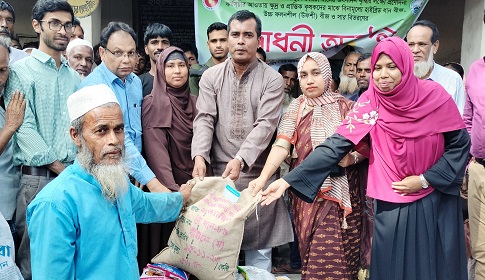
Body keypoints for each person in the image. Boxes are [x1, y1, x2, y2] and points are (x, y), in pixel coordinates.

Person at [256, 36, 470, 280]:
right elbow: (337, 144)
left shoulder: (434, 96)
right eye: (378, 68)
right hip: (392, 198)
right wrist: (288, 181)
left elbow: (459, 144)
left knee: (431, 265)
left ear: (406, 66)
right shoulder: (371, 102)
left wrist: (425, 179)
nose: (382, 75)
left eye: (392, 67)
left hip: (433, 198)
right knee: (392, 267)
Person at [27, 84, 194, 279]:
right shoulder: (55, 203)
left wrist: (181, 198)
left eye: (119, 129)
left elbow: (147, 205)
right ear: (76, 136)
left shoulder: (118, 183)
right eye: (101, 131)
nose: (114, 140)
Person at [191, 10, 293, 272]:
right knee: (220, 258)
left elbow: (266, 126)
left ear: (259, 40)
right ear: (227, 39)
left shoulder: (272, 79)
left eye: (248, 35)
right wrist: (200, 155)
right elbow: (204, 118)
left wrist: (240, 159)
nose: (240, 41)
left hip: (258, 179)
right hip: (220, 180)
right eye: (234, 34)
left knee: (259, 258)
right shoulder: (211, 77)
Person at [250, 52, 365, 279]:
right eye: (303, 75)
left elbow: (368, 147)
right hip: (304, 196)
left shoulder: (348, 108)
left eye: (315, 73)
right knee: (311, 254)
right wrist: (262, 179)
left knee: (338, 256)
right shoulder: (295, 108)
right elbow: (282, 146)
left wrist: (353, 159)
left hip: (342, 195)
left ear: (327, 75)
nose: (309, 80)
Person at [4, 1, 80, 279]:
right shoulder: (21, 72)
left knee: (68, 255)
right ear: (36, 26)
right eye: (55, 23)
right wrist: (61, 168)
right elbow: (23, 128)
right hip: (37, 180)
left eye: (68, 24)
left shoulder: (75, 77)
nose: (63, 30)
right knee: (33, 259)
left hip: (74, 175)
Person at [79, 21, 170, 193]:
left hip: (132, 173)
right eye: (118, 53)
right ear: (102, 53)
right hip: (102, 174)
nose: (127, 60)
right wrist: (151, 180)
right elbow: (121, 137)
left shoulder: (134, 82)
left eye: (131, 53)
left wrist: (138, 171)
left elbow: (137, 131)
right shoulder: (94, 86)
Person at [139, 46, 198, 270]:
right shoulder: (152, 102)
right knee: (165, 251)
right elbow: (157, 153)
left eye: (181, 65)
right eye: (170, 66)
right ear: (161, 70)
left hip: (193, 188)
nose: (177, 71)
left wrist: (196, 186)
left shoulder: (195, 102)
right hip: (167, 191)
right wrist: (174, 194)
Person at [406, 20, 465, 115]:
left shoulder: (452, 79)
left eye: (422, 44)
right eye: (411, 45)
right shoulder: (398, 79)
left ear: (435, 46)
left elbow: (460, 120)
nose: (415, 50)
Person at [0, 37, 25, 235]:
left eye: (2, 70)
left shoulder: (9, 96)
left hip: (17, 203)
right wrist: (10, 127)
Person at [464, 57, 485, 279]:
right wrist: (469, 163)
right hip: (479, 169)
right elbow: (468, 119)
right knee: (481, 250)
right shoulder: (477, 69)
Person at [189, 22, 229, 96]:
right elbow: (195, 103)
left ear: (229, 42)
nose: (218, 45)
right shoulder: (197, 72)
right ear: (208, 45)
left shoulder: (238, 70)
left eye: (223, 40)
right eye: (214, 41)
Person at [139, 23, 172, 97]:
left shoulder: (177, 79)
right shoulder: (138, 83)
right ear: (146, 49)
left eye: (165, 42)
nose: (160, 47)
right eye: (154, 42)